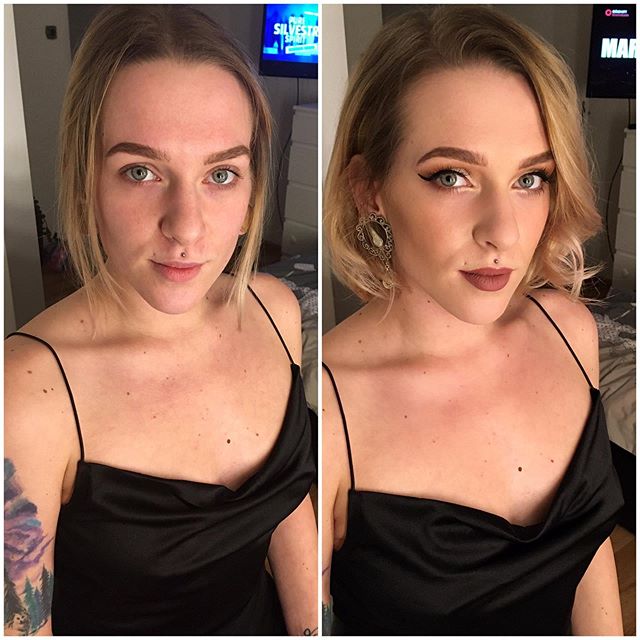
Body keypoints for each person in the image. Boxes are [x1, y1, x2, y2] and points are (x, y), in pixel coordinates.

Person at [5, 5, 317, 635]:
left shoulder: (274, 310)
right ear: (87, 180)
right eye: (141, 172)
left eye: (221, 174)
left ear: (252, 191)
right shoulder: (28, 393)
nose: (187, 226)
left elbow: (287, 509)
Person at [322, 6, 624, 635]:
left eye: (531, 178)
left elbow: (588, 547)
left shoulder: (570, 332)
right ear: (369, 188)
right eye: (453, 177)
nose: (503, 232)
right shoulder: (326, 409)